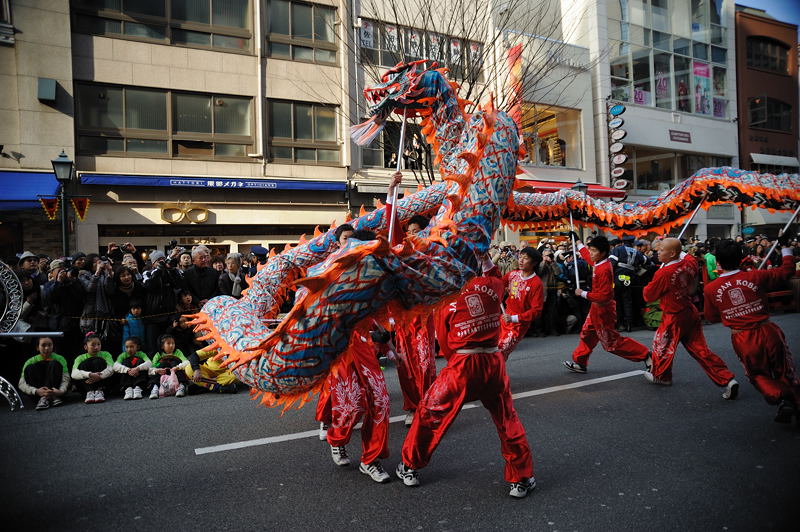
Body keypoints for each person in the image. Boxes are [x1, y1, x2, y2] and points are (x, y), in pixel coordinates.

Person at [396, 252, 535, 498]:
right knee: (507, 419)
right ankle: (521, 478)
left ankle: (409, 465)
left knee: (430, 412)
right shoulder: (493, 285)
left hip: (462, 364)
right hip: (493, 361)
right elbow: (495, 275)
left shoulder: (445, 299)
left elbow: (445, 344)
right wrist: (485, 259)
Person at [704, 237, 799, 423]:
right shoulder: (755, 276)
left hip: (743, 338)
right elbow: (787, 270)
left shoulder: (711, 289)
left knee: (758, 374)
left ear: (718, 262)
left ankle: (780, 397)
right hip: (769, 330)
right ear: (741, 258)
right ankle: (792, 399)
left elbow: (711, 317)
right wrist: (786, 249)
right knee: (785, 369)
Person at [642, 238, 739, 398]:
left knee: (662, 346)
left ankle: (661, 376)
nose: (657, 252)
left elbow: (649, 295)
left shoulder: (663, 272)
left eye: (661, 250)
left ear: (672, 253)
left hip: (673, 316)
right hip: (689, 311)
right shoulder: (690, 262)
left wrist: (653, 281)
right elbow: (687, 257)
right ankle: (727, 379)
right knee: (701, 350)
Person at [563, 235, 651, 373]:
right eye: (590, 249)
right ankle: (580, 362)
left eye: (593, 250)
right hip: (596, 309)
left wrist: (583, 293)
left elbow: (604, 296)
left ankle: (645, 354)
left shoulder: (604, 268)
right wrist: (578, 242)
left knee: (611, 343)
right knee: (587, 334)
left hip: (604, 311)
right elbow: (587, 256)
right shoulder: (599, 262)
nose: (590, 253)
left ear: (603, 252)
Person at [499, 247, 544, 359]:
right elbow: (498, 284)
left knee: (501, 350)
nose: (521, 260)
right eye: (520, 257)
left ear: (534, 263)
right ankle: (493, 374)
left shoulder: (536, 283)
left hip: (519, 324)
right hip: (504, 318)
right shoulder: (513, 274)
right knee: (494, 350)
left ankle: (495, 375)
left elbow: (536, 311)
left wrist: (513, 318)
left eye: (525, 258)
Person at [18, 337, 69, 410]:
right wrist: (36, 391)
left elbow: (66, 378)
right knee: (30, 367)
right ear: (37, 348)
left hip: (56, 393)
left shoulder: (60, 358)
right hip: (38, 395)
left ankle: (50, 397)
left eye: (49, 345)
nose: (47, 348)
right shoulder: (30, 361)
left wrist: (61, 391)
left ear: (53, 346)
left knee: (54, 363)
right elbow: (21, 384)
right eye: (43, 345)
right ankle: (44, 398)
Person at [71, 332, 115, 404]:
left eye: (98, 344)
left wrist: (99, 376)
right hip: (86, 386)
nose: (96, 347)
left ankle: (99, 391)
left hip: (103, 384)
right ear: (86, 347)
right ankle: (90, 392)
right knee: (85, 363)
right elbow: (74, 374)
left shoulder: (106, 354)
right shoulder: (80, 358)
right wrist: (90, 374)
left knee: (98, 361)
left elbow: (111, 368)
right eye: (93, 345)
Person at [148, 334, 190, 399]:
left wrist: (177, 367)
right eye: (168, 343)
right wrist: (157, 370)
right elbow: (150, 369)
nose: (171, 345)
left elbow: (186, 362)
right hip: (163, 374)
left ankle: (181, 387)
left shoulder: (177, 352)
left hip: (175, 372)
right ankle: (155, 388)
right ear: (162, 346)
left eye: (173, 343)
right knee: (160, 366)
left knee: (176, 364)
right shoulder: (158, 355)